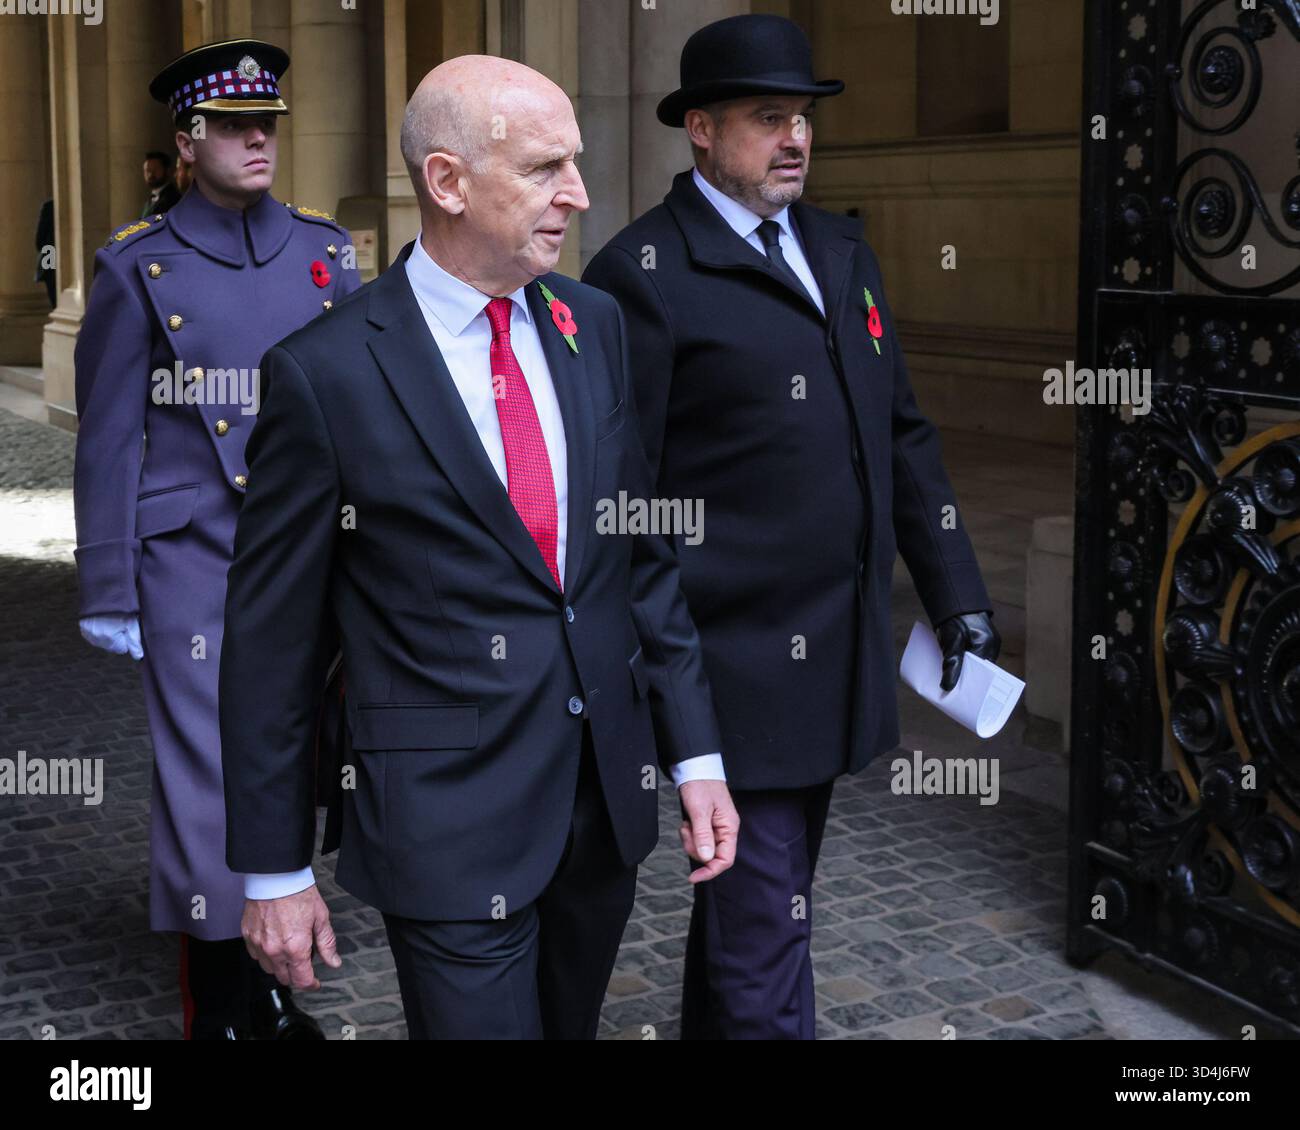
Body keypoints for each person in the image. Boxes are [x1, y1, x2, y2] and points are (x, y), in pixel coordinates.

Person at [218, 54, 739, 1040]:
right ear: (447, 182)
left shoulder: (595, 324)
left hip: (599, 809)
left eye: (575, 163)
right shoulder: (325, 376)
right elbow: (269, 643)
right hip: (445, 821)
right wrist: (274, 868)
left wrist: (696, 753)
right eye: (547, 168)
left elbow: (638, 551)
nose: (578, 195)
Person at [583, 13, 1001, 1039]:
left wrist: (958, 595)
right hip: (729, 675)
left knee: (754, 911)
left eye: (802, 117)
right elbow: (624, 505)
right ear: (701, 129)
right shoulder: (640, 277)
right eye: (768, 118)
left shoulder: (839, 248)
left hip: (833, 659)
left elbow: (900, 432)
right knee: (767, 934)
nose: (795, 139)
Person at [72, 38, 361, 1040]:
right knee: (211, 776)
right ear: (185, 142)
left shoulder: (327, 250)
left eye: (267, 123)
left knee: (299, 756)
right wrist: (109, 582)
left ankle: (272, 969)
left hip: (313, 546)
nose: (257, 139)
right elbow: (110, 436)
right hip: (195, 554)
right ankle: (228, 1006)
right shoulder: (137, 263)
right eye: (233, 125)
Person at [140, 150, 182, 218]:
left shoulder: (173, 198)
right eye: (148, 170)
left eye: (155, 169)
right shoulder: (150, 199)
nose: (150, 174)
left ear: (167, 170)